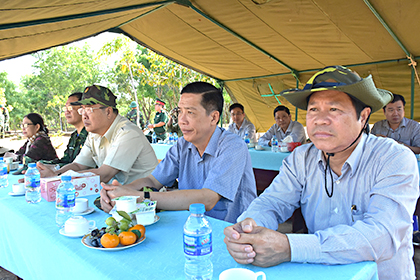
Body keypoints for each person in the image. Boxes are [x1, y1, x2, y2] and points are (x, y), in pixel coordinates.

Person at [224, 66, 419, 280]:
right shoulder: (302, 158)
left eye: (334, 109)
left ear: (363, 117)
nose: (320, 119)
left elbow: (381, 235)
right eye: (313, 110)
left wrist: (290, 247)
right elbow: (271, 202)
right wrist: (249, 227)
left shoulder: (393, 158)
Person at [100, 81, 257, 223]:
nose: (181, 120)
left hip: (235, 233)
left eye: (190, 112)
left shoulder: (233, 146)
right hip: (192, 226)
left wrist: (141, 197)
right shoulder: (182, 145)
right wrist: (120, 192)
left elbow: (208, 199)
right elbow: (152, 181)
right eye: (180, 111)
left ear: (214, 117)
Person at [37, 85, 158, 184]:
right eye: (82, 109)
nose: (84, 115)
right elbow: (78, 165)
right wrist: (56, 174)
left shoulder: (128, 133)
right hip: (117, 196)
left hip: (145, 200)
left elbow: (104, 174)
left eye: (89, 109)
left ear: (108, 112)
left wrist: (57, 177)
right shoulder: (94, 134)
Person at [40, 92, 88, 168]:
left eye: (70, 107)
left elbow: (82, 166)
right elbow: (66, 160)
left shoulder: (91, 135)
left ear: (83, 109)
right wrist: (42, 164)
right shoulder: (74, 136)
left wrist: (54, 167)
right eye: (65, 108)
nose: (66, 111)